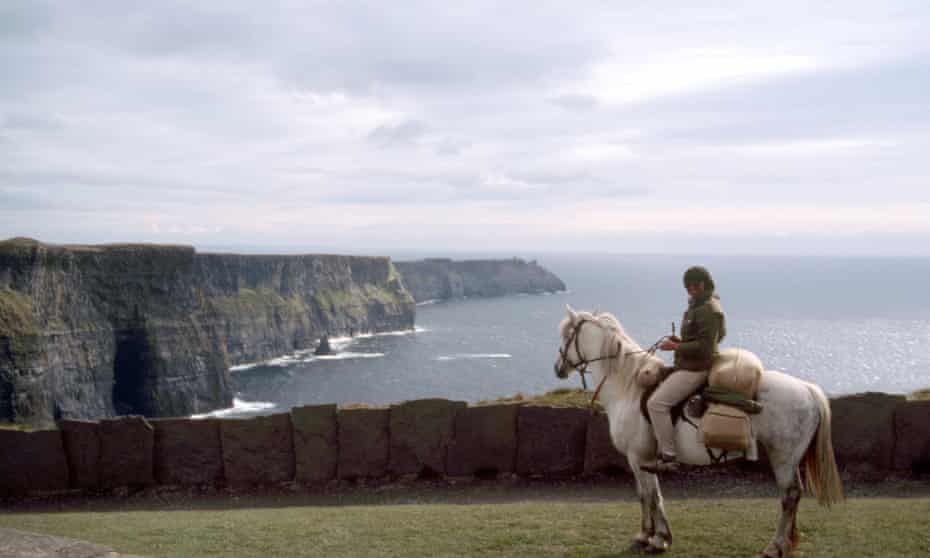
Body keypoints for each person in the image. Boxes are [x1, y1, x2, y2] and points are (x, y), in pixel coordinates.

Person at [640, 266, 727, 473]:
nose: (690, 289)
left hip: (696, 369)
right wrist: (681, 342)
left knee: (656, 404)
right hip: (687, 364)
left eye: (694, 285)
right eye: (687, 286)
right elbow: (706, 338)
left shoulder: (709, 309)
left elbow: (707, 346)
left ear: (703, 284)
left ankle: (669, 458)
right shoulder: (698, 305)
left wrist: (676, 346)